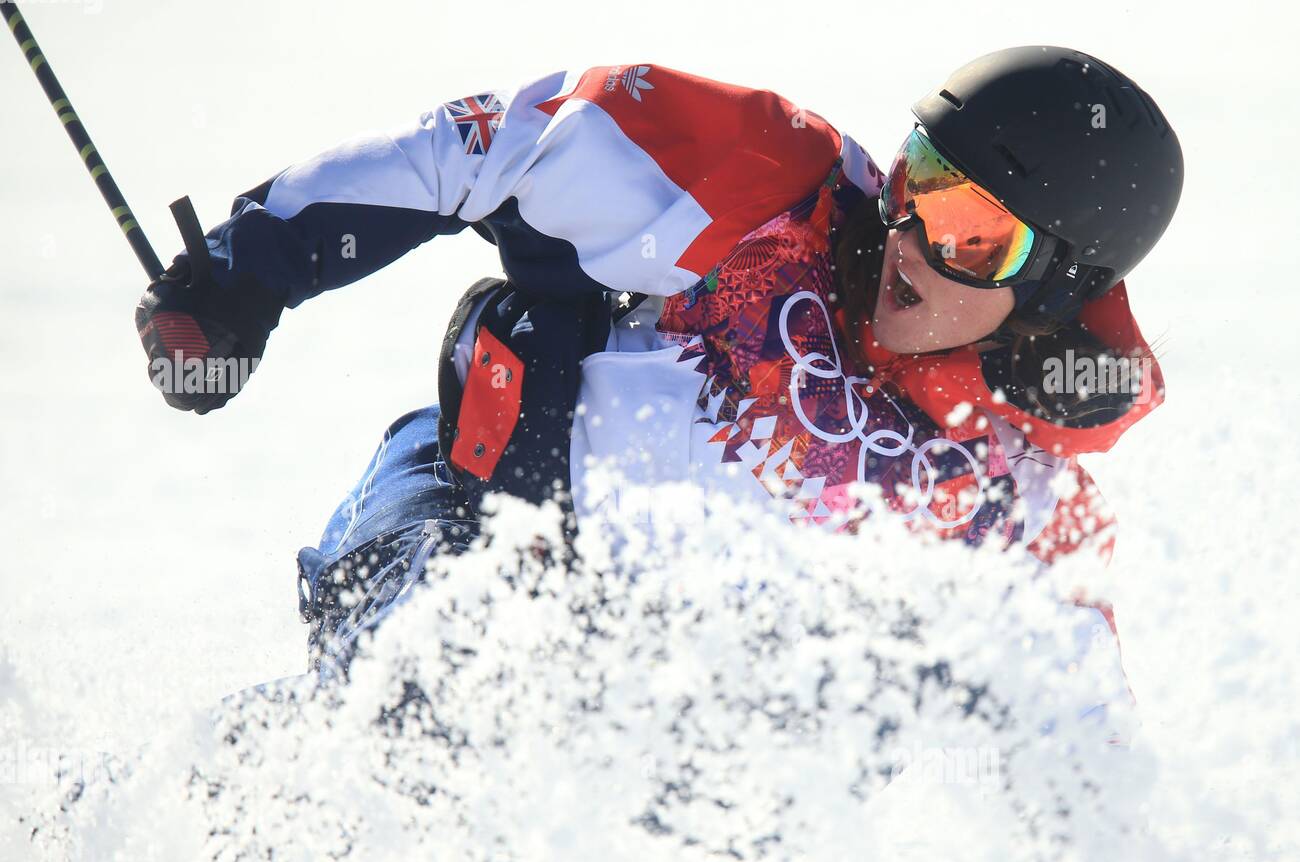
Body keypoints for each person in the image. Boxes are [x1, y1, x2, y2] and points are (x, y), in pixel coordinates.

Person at [135, 47, 1182, 696]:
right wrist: (240, 282)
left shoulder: (1008, 486)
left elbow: (1076, 747)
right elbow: (474, 155)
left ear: (1053, 287)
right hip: (466, 510)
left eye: (970, 232)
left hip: (648, 686)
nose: (908, 233)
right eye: (923, 174)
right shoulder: (763, 195)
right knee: (429, 684)